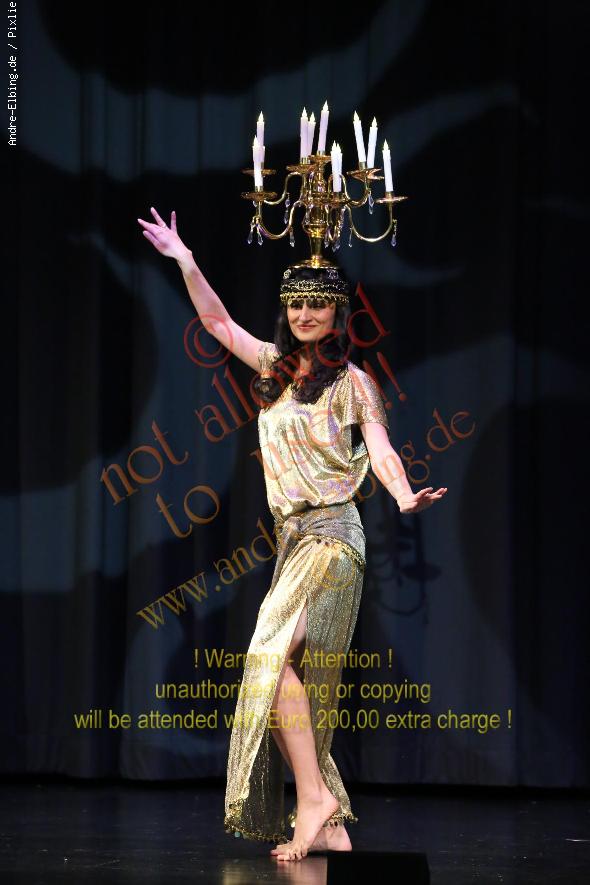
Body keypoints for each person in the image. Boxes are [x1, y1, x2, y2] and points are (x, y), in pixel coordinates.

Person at [137, 207, 447, 862]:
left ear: (337, 314)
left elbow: (381, 449)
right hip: (292, 541)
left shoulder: (355, 383)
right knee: (281, 680)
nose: (306, 314)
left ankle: (312, 798)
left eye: (318, 305)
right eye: (297, 304)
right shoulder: (274, 369)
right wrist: (186, 261)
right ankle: (328, 817)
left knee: (268, 658)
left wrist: (401, 494)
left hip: (334, 536)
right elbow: (218, 323)